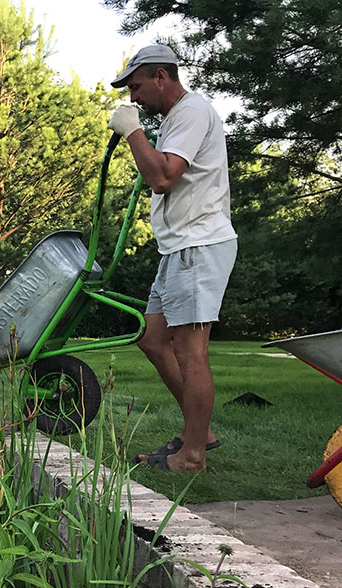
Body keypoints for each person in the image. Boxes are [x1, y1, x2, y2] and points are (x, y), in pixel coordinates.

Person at [108, 44, 237, 473]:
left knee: (190, 352)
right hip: (177, 248)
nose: (133, 98)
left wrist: (132, 132)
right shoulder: (177, 120)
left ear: (162, 76)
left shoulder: (192, 111)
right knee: (151, 337)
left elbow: (162, 177)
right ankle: (201, 432)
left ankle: (193, 455)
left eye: (137, 86)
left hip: (199, 246)